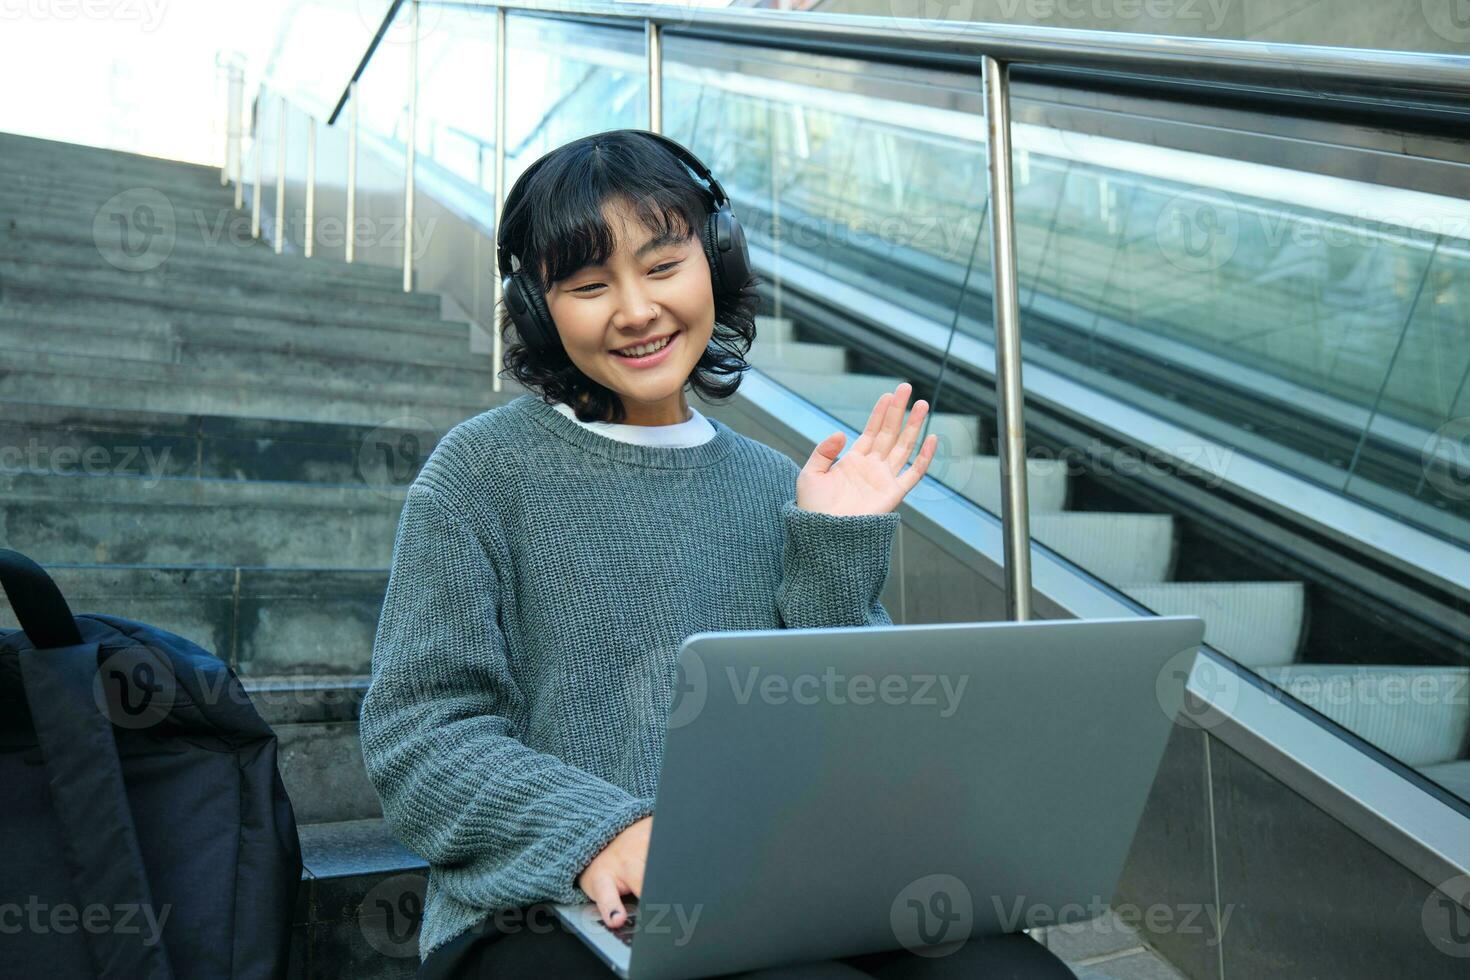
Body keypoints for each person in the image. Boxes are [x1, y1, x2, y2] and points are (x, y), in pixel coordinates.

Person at [358, 129, 1073, 980]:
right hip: (544, 907)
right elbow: (418, 736)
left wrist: (834, 548)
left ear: (715, 260)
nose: (634, 309)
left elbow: (855, 739)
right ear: (540, 309)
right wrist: (603, 832)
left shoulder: (778, 485)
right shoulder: (478, 474)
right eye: (589, 285)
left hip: (774, 880)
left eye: (662, 268)